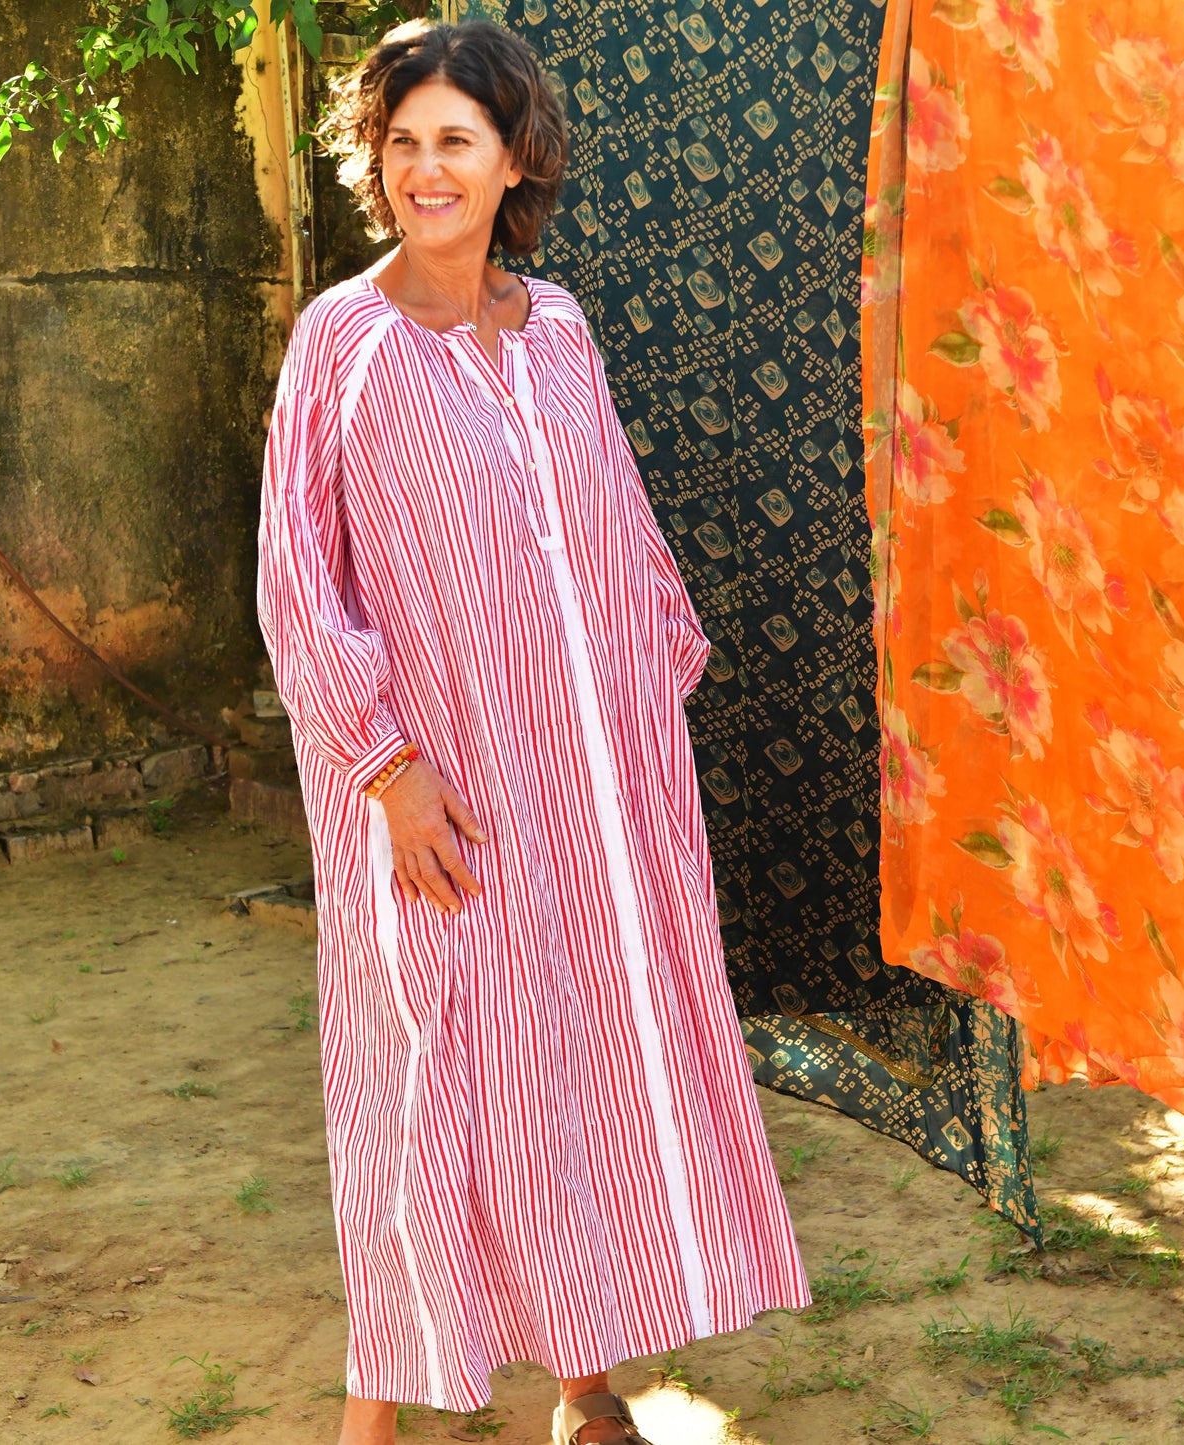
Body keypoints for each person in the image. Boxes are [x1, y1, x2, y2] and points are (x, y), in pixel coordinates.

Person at [256, 19, 810, 1445]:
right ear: (372, 168)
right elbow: (297, 582)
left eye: (455, 140)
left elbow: (617, 531)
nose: (425, 168)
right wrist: (387, 769)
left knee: (579, 1062)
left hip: (588, 780)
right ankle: (369, 1422)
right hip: (437, 788)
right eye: (401, 143)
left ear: (514, 160)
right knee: (427, 1081)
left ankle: (583, 1384)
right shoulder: (344, 344)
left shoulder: (556, 326)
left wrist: (645, 724)